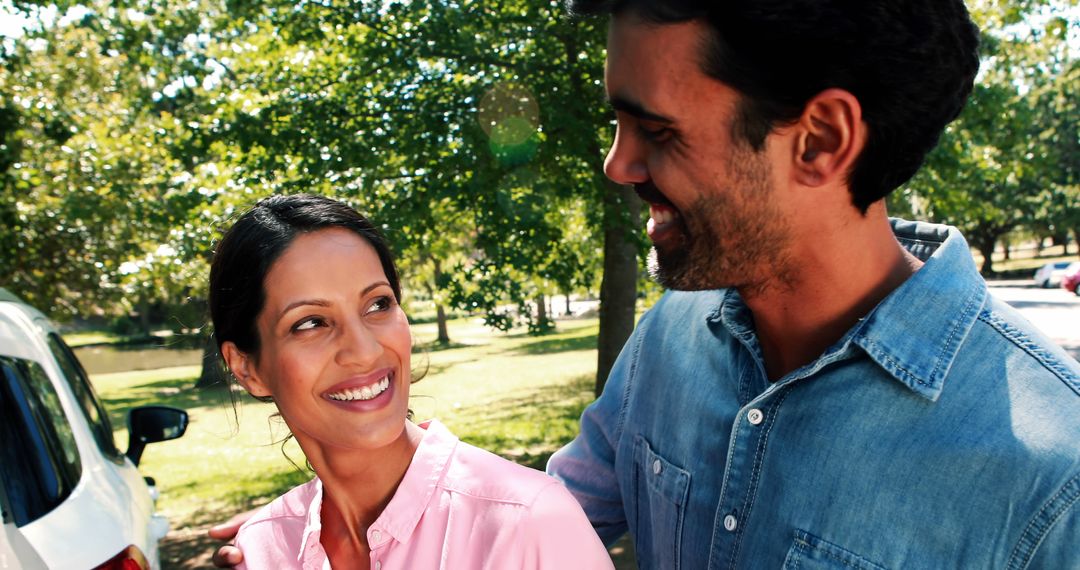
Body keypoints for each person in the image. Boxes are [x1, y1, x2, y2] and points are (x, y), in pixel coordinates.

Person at [543, 0, 1080, 568]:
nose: (618, 164)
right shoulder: (669, 334)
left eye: (655, 130)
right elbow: (549, 522)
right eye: (617, 125)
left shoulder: (1056, 479)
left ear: (821, 140)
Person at [208, 193, 613, 569]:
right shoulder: (259, 550)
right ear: (247, 369)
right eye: (311, 322)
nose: (364, 351)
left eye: (378, 304)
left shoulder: (530, 523)